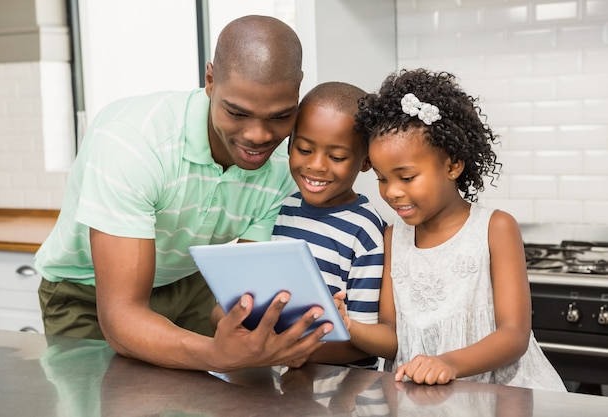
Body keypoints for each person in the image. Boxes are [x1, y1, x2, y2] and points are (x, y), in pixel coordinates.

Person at [33, 15, 334, 372]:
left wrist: (281, 341)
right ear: (210, 81)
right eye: (237, 112)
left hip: (187, 281)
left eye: (280, 116)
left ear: (298, 88)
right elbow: (122, 316)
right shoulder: (133, 143)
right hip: (86, 291)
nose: (258, 136)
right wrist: (215, 356)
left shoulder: (288, 163)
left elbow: (252, 289)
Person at [348, 68, 566, 391]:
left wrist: (449, 363)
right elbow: (394, 337)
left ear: (452, 165)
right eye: (382, 178)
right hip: (424, 403)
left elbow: (514, 335)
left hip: (502, 399)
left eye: (406, 177)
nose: (391, 192)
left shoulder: (495, 228)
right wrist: (348, 326)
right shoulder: (394, 238)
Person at [271, 81, 391, 368]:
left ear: (366, 162)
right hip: (282, 377)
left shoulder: (366, 232)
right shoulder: (280, 210)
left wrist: (286, 354)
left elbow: (363, 345)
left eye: (336, 157)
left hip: (343, 391)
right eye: (304, 149)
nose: (317, 165)